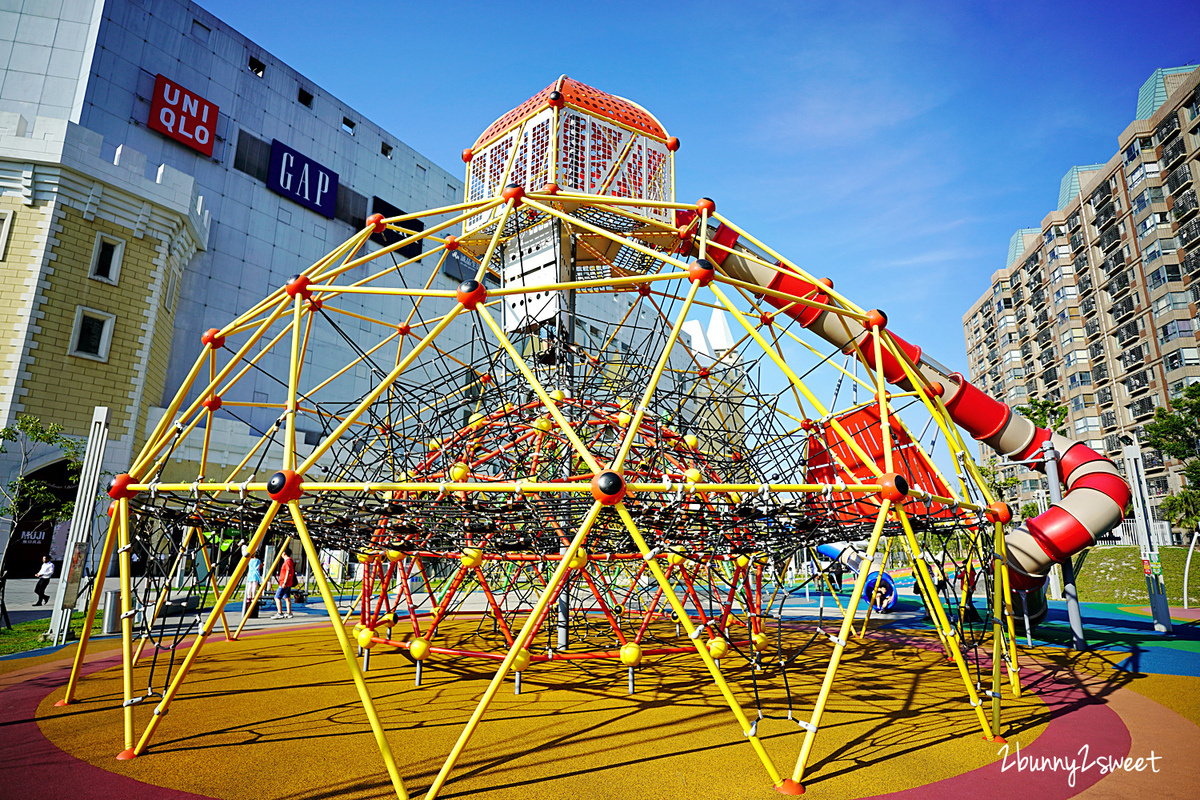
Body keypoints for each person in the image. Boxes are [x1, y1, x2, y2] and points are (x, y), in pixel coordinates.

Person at [273, 547, 296, 619]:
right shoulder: (290, 561)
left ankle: (280, 613)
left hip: (284, 583)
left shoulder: (287, 562)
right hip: (288, 583)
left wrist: (284, 582)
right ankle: (289, 612)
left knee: (277, 597)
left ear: (284, 553)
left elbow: (288, 571)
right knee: (286, 597)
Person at [244, 550, 262, 618]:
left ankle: (249, 597)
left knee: (249, 586)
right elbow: (259, 566)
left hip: (250, 573)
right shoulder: (258, 561)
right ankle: (253, 597)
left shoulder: (250, 560)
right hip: (256, 574)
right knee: (254, 586)